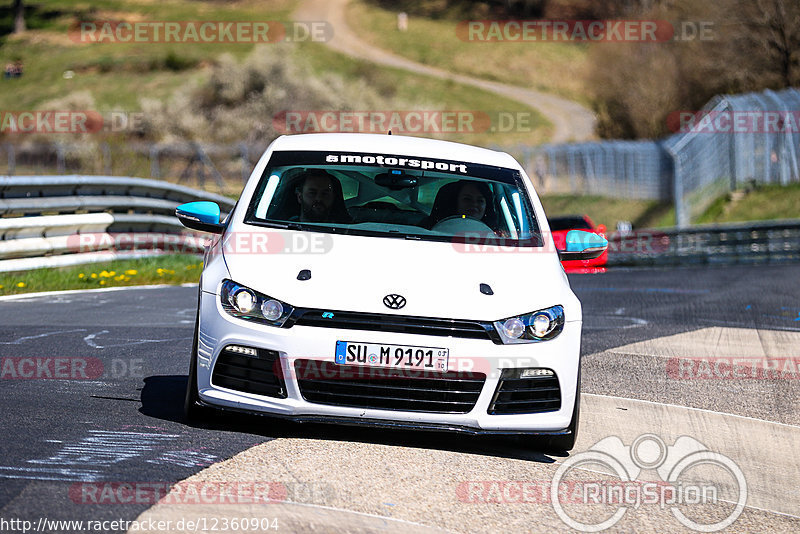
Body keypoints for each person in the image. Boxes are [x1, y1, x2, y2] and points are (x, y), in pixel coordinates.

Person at [426, 179, 497, 229]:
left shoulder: (498, 237)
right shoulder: (428, 230)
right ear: (455, 202)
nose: (474, 204)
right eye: (467, 199)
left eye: (480, 201)